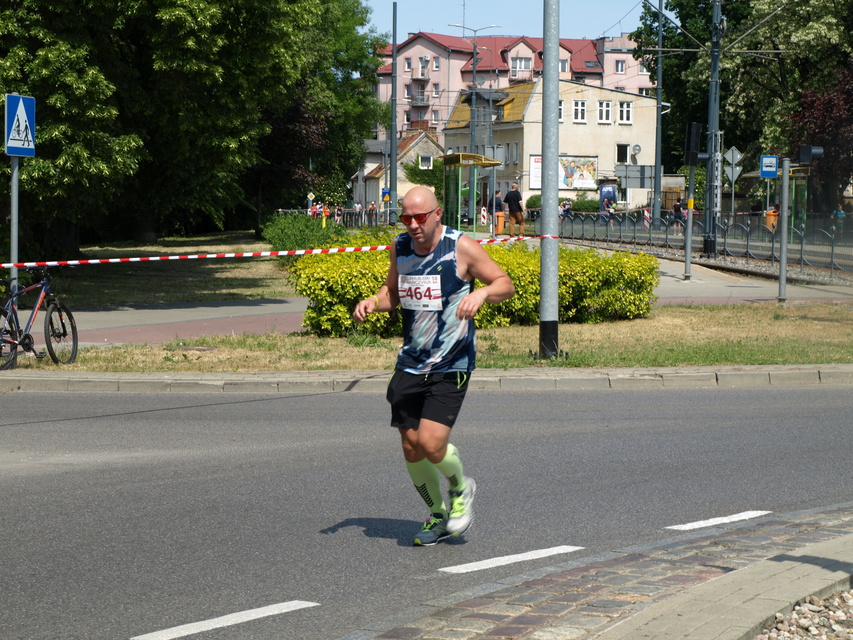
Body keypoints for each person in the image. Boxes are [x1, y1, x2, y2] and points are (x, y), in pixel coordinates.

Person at [352, 185, 515, 546]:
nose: (412, 224)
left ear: (437, 214)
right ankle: (438, 515)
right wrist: (371, 302)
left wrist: (483, 292)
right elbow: (392, 293)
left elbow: (506, 283)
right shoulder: (401, 247)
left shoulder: (461, 247)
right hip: (411, 361)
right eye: (406, 217)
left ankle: (461, 489)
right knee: (411, 446)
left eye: (419, 217)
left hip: (451, 361)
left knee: (430, 442)